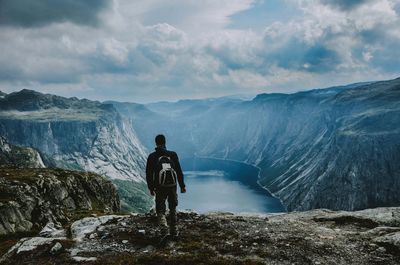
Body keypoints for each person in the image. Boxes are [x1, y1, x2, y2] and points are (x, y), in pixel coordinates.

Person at [146, 134, 186, 237]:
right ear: (165, 142)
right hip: (172, 186)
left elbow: (149, 174)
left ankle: (164, 231)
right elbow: (178, 171)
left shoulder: (152, 156)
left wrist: (151, 188)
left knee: (160, 209)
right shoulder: (173, 154)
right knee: (172, 208)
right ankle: (174, 231)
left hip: (159, 187)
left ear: (156, 143)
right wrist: (182, 185)